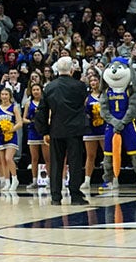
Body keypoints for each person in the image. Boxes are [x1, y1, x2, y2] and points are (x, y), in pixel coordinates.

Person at [35, 56, 90, 205]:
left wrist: (44, 131)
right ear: (71, 70)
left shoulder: (49, 87)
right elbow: (84, 105)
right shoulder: (80, 86)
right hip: (75, 130)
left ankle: (55, 197)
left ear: (57, 70)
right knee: (75, 163)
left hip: (56, 129)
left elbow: (42, 111)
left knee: (56, 163)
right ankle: (75, 196)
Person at [23, 82, 48, 189]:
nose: (36, 91)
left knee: (48, 158)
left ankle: (50, 180)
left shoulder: (46, 102)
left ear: (41, 90)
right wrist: (31, 121)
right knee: (34, 158)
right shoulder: (29, 103)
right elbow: (23, 119)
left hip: (44, 132)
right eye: (34, 90)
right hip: (33, 132)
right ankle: (34, 181)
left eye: (37, 89)